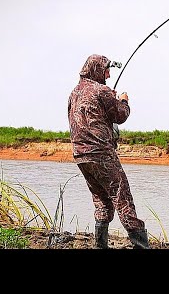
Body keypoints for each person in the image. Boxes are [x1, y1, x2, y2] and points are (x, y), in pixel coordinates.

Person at [67, 54, 150, 249]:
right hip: (102, 154)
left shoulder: (74, 93)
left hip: (81, 156)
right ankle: (141, 245)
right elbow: (120, 115)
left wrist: (108, 98)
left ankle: (100, 245)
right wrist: (123, 100)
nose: (109, 75)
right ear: (97, 70)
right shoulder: (102, 91)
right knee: (123, 199)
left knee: (102, 201)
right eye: (106, 70)